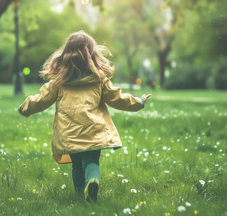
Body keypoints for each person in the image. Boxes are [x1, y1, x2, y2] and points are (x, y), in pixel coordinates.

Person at [18, 31, 152, 202]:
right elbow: (117, 99)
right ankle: (93, 181)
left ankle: (80, 196)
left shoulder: (58, 82)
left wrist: (25, 108)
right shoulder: (99, 79)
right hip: (93, 130)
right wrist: (139, 102)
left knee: (77, 166)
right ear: (92, 54)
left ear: (66, 55)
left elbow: (42, 100)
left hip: (69, 132)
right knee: (91, 162)